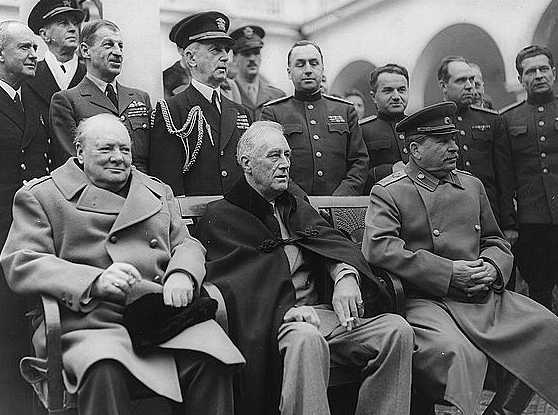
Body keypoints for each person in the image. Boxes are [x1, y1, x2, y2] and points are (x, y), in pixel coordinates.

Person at [0, 113, 243, 415]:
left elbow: (187, 244)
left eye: (125, 149)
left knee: (213, 358)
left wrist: (182, 274)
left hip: (161, 317)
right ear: (79, 152)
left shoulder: (156, 190)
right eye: (106, 149)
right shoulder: (43, 196)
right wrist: (93, 281)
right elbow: (21, 261)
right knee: (104, 365)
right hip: (87, 322)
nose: (118, 158)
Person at [195, 120, 413, 415]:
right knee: (306, 338)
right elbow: (231, 284)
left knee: (395, 330)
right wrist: (285, 310)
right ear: (246, 163)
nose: (285, 164)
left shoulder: (296, 205)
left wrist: (345, 276)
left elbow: (332, 242)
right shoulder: (221, 214)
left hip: (327, 317)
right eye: (274, 156)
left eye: (287, 155)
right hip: (277, 326)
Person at [362, 101, 558, 415]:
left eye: (453, 138)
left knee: (548, 329)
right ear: (415, 149)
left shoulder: (471, 185)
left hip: (482, 295)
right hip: (428, 299)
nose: (454, 147)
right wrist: (449, 272)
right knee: (460, 354)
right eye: (442, 141)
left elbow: (495, 240)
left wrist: (492, 267)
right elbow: (379, 247)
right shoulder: (390, 191)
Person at [0, 19, 53, 415]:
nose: (35, 55)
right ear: (1, 55)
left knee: (29, 321)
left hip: (30, 231)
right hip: (0, 231)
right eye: (26, 49)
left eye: (35, 48)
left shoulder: (34, 102)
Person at [150, 11, 252, 196]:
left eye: (226, 50)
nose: (225, 57)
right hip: (197, 220)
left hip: (242, 218)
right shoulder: (170, 111)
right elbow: (168, 183)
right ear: (191, 58)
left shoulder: (241, 113)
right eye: (215, 50)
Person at [261, 40, 369, 196]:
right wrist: (301, 200)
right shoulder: (273, 112)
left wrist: (340, 198)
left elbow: (359, 161)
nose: (308, 70)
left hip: (340, 205)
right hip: (293, 207)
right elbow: (270, 163)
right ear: (289, 72)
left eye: (314, 63)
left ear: (322, 69)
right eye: (300, 64)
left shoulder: (345, 110)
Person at [50, 19, 151, 172]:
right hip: (96, 192)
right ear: (85, 51)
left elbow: (154, 157)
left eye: (120, 46)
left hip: (141, 190)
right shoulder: (67, 101)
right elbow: (72, 161)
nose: (117, 52)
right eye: (108, 44)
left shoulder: (140, 98)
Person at [499, 45, 558, 309]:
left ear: (554, 73)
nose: (538, 75)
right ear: (521, 79)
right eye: (530, 71)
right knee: (540, 289)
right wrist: (510, 223)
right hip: (532, 222)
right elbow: (505, 176)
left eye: (544, 69)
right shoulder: (508, 119)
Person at [438, 56, 513, 235]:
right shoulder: (434, 123)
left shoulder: (492, 120)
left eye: (471, 80)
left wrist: (509, 224)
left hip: (489, 213)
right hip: (450, 218)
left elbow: (505, 176)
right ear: (443, 85)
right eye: (461, 80)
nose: (470, 86)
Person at [26, 0, 86, 168]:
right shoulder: (28, 78)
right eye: (63, 23)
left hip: (87, 174)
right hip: (43, 176)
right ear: (45, 35)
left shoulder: (91, 76)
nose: (73, 28)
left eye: (75, 23)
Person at [359, 64, 409, 193]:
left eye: (402, 90)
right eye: (388, 91)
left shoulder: (420, 126)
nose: (396, 96)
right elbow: (356, 176)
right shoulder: (362, 131)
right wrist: (389, 170)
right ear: (373, 96)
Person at [229, 25, 285, 120]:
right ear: (235, 58)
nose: (252, 59)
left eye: (256, 53)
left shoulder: (278, 96)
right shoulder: (226, 94)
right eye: (246, 54)